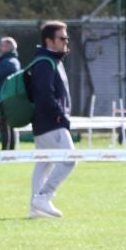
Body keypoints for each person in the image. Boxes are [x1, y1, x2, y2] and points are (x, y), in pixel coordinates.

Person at [25, 22, 77, 218]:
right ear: (49, 41)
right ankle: (43, 197)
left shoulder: (51, 61)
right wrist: (60, 116)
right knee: (70, 159)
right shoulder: (45, 63)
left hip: (44, 122)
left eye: (67, 38)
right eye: (62, 38)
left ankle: (35, 208)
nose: (66, 42)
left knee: (43, 163)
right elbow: (45, 95)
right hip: (51, 123)